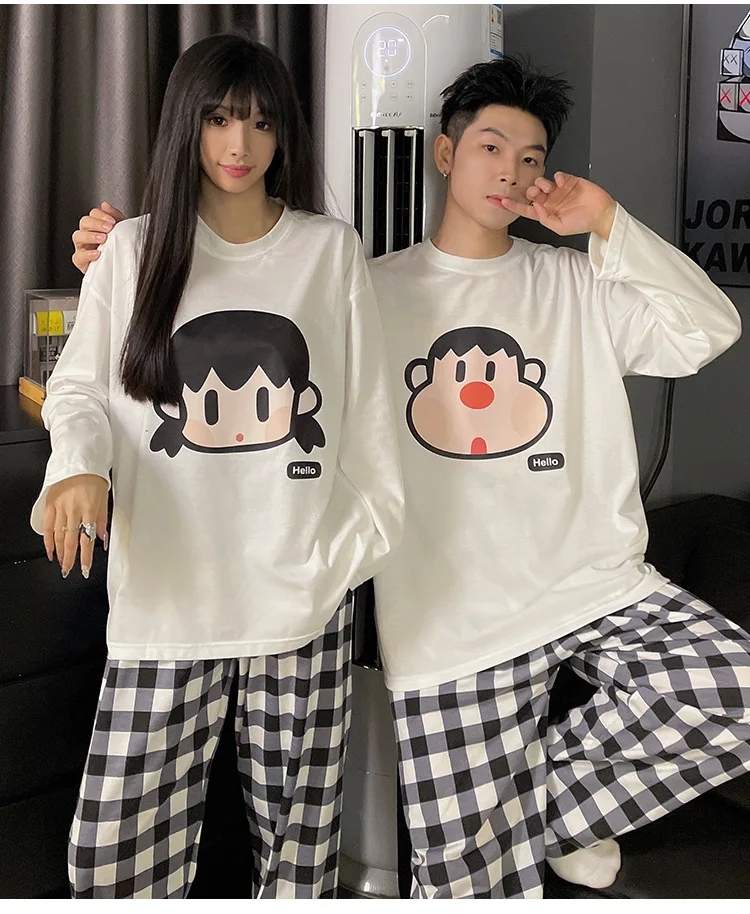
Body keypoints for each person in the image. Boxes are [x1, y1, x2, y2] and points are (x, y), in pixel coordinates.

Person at [72, 55, 750, 900]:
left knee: (736, 693)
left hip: (591, 583)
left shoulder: (576, 283)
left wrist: (608, 223)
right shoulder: (361, 282)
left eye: (532, 158)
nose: (511, 171)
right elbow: (246, 297)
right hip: (448, 627)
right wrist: (123, 256)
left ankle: (551, 818)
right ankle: (531, 830)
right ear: (445, 153)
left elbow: (706, 329)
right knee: (469, 891)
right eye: (491, 147)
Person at [38, 32, 403, 899]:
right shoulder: (133, 252)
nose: (241, 144)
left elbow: (368, 423)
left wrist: (341, 559)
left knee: (299, 858)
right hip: (168, 598)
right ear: (185, 125)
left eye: (262, 122)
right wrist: (76, 467)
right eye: (219, 119)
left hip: (300, 604)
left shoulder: (328, 251)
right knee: (112, 858)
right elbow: (78, 388)